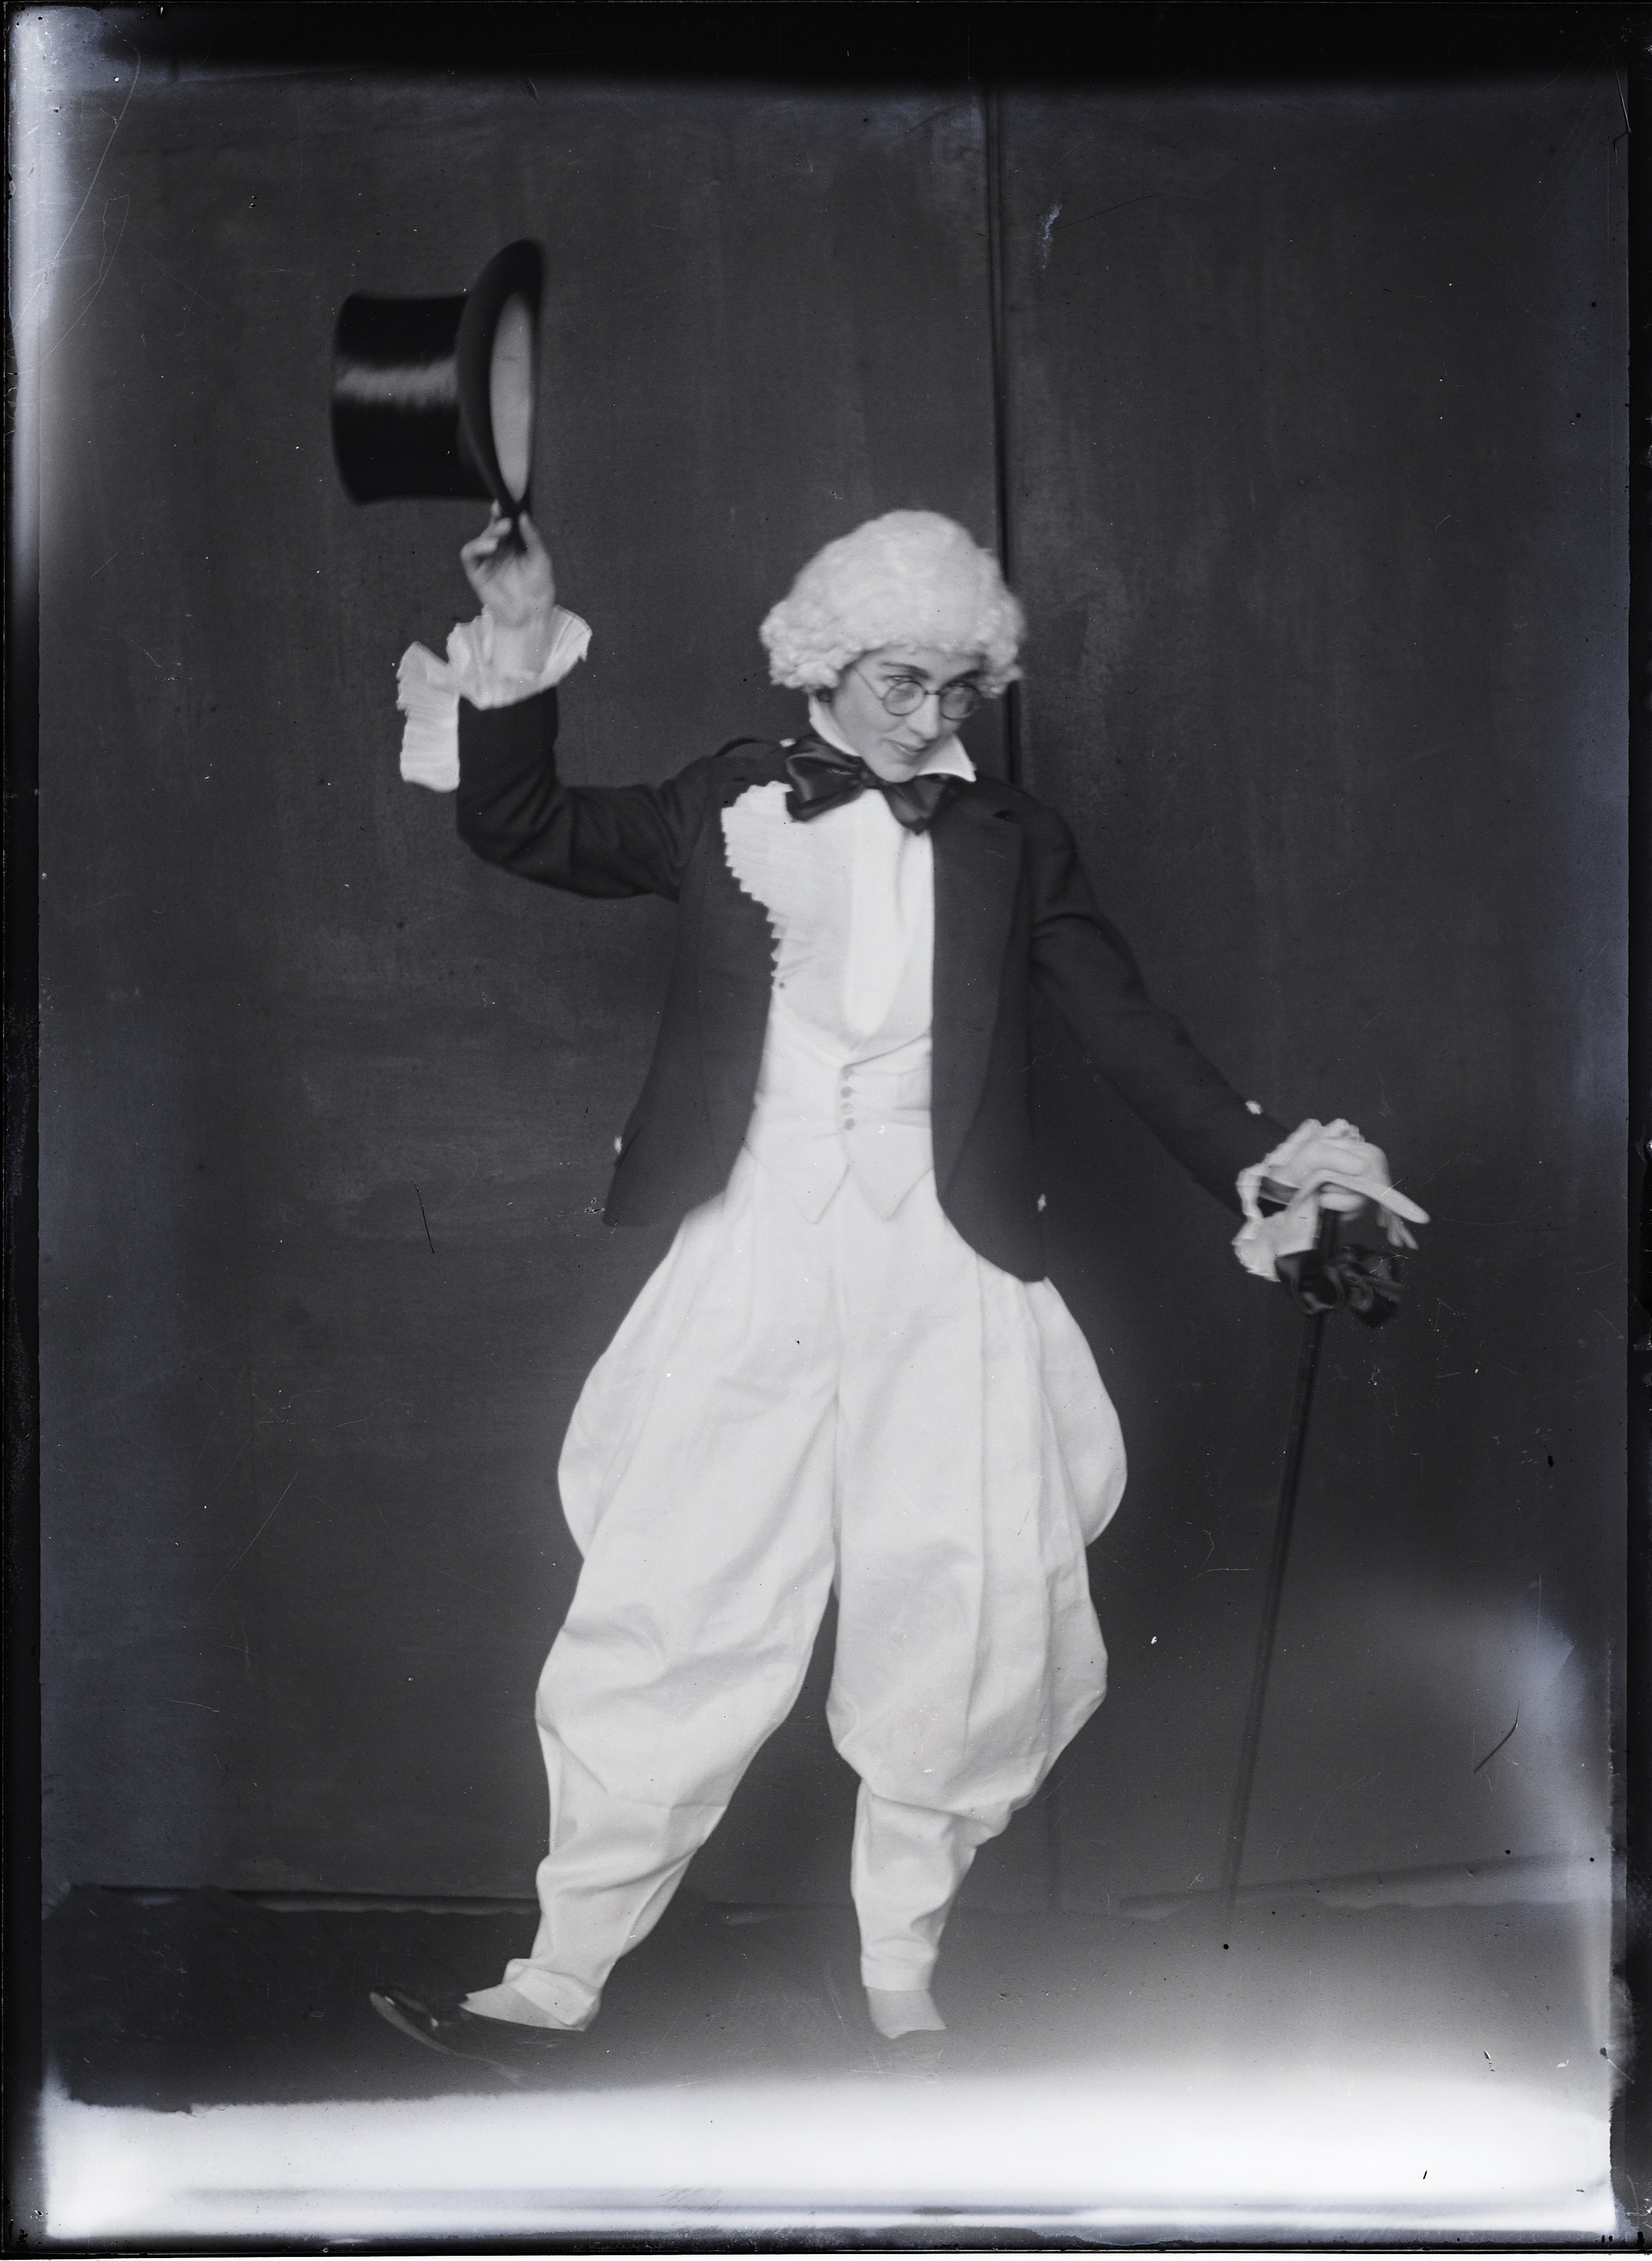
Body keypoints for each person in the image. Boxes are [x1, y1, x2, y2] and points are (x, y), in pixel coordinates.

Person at [371, 507, 1425, 2070]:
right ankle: (562, 1970)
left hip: (947, 1260)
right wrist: (516, 639)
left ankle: (898, 1963)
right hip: (756, 1246)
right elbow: (517, 824)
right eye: (895, 680)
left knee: (965, 1599)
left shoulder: (1013, 839)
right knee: (677, 1589)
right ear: (819, 665)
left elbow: (1132, 1037)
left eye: (952, 685)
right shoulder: (719, 800)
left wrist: (1273, 1177)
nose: (927, 714)